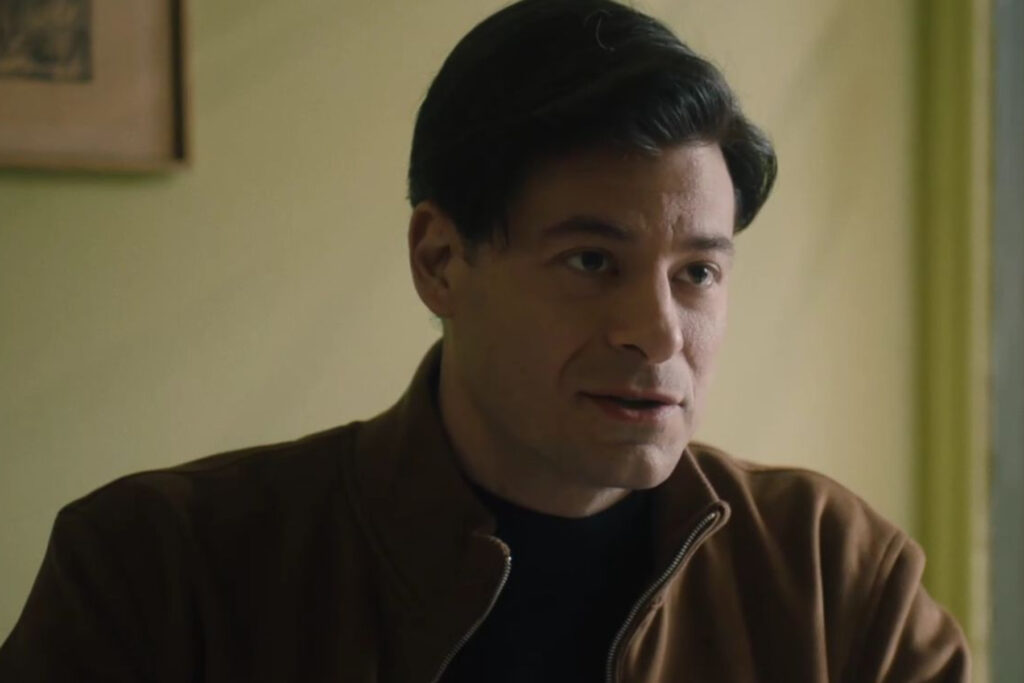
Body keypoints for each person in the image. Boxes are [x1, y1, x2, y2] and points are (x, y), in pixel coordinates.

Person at [0, 0, 969, 681]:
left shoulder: (830, 572)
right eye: (591, 260)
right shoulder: (164, 571)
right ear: (439, 261)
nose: (656, 333)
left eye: (697, 273)